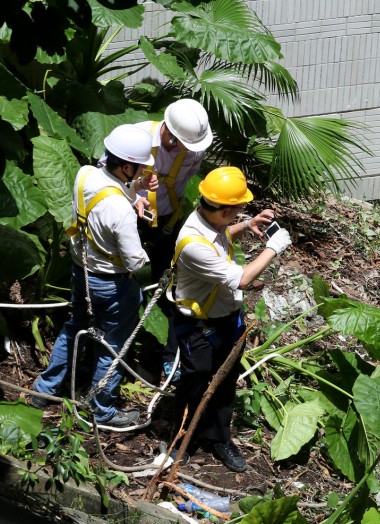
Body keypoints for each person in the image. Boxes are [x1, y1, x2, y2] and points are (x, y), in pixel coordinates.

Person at [167, 166, 291, 471]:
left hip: (226, 318)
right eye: (237, 209)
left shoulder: (205, 217)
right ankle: (180, 437)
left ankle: (219, 438)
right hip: (200, 325)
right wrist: (274, 247)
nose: (239, 213)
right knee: (194, 382)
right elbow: (244, 279)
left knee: (224, 383)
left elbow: (221, 234)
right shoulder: (194, 244)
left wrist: (247, 225)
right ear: (222, 210)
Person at [31, 125, 155, 428]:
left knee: (74, 327)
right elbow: (134, 260)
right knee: (112, 345)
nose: (140, 172)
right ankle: (103, 410)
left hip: (81, 270)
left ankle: (43, 390)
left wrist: (134, 195)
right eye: (138, 168)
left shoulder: (85, 174)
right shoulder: (120, 212)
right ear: (126, 166)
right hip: (112, 283)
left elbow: (108, 190)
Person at [128, 98, 214, 281]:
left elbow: (189, 174)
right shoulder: (136, 136)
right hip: (131, 213)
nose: (193, 149)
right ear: (171, 134)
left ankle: (162, 302)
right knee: (125, 265)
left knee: (165, 268)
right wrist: (136, 194)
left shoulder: (195, 149)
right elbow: (108, 176)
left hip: (169, 218)